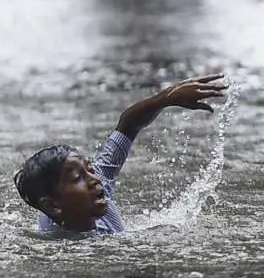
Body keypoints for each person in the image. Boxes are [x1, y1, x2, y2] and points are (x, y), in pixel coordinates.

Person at [14, 74, 228, 235]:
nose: (94, 179)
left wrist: (166, 98)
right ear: (52, 206)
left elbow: (127, 125)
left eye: (89, 169)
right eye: (78, 178)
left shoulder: (100, 183)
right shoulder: (53, 247)